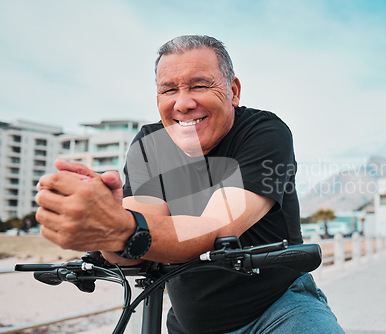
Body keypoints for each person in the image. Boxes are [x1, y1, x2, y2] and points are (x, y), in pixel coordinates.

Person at [35, 35, 344, 333]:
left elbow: (216, 228)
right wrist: (102, 230)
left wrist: (119, 226)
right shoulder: (150, 145)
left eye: (200, 85)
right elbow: (136, 240)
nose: (182, 104)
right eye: (168, 90)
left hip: (279, 310)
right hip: (188, 321)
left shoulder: (265, 132)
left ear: (233, 91)